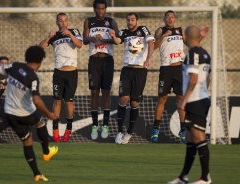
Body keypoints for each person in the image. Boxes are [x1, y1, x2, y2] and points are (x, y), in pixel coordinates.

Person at [0, 45, 58, 182]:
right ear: (41, 60)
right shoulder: (33, 78)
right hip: (25, 113)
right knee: (40, 122)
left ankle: (37, 174)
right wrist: (49, 113)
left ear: (27, 57)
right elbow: (36, 100)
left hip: (10, 114)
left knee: (27, 141)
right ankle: (46, 152)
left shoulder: (14, 66)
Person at [168, 25, 212, 184]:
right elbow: (207, 78)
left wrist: (184, 100)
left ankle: (205, 178)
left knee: (198, 137)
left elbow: (193, 79)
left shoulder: (192, 54)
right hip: (202, 98)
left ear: (185, 38)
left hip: (195, 101)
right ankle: (183, 177)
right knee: (190, 138)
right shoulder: (205, 54)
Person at [110, 12, 154, 144]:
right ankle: (119, 131)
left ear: (137, 21)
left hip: (140, 71)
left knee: (134, 102)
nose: (130, 22)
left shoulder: (143, 30)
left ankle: (129, 132)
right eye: (128, 20)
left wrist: (148, 59)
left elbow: (151, 43)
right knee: (123, 98)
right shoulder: (124, 32)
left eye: (132, 20)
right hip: (127, 70)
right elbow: (118, 41)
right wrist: (113, 36)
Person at [40, 12, 82, 142]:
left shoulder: (74, 31)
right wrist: (48, 38)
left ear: (67, 22)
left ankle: (68, 129)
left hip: (72, 72)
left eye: (65, 20)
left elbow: (80, 45)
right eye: (60, 21)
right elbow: (40, 48)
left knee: (68, 101)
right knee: (57, 101)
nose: (63, 23)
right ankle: (55, 130)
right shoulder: (55, 36)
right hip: (58, 72)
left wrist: (70, 34)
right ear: (57, 22)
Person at [83, 0, 119, 140]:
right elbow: (85, 40)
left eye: (103, 9)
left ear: (106, 9)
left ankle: (105, 125)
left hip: (107, 60)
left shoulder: (111, 21)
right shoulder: (89, 21)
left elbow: (119, 39)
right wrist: (93, 37)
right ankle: (94, 125)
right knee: (94, 92)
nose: (101, 11)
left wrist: (105, 39)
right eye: (98, 9)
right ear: (94, 9)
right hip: (94, 60)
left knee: (106, 92)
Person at [151, 10, 186, 143]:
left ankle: (183, 130)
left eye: (172, 17)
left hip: (179, 69)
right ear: (164, 18)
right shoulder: (160, 30)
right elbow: (154, 46)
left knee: (181, 100)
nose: (170, 19)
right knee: (162, 99)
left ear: (175, 19)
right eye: (168, 17)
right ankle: (155, 129)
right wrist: (164, 35)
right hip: (166, 69)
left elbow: (191, 44)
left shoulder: (180, 31)